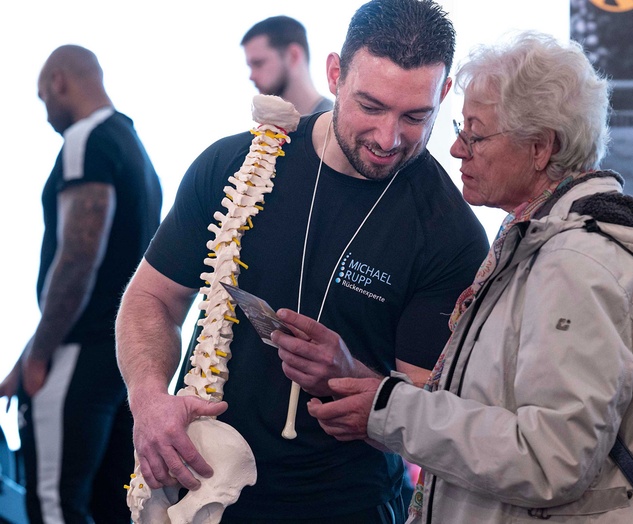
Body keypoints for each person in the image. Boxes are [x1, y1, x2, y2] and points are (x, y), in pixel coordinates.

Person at [285, 31, 633, 523]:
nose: (456, 149)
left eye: (475, 134)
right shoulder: (546, 245)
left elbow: (553, 458)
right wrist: (369, 390)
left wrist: (387, 408)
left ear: (541, 148)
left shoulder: (575, 265)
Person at [116, 0, 489, 522]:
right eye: (371, 106)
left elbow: (432, 415)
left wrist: (351, 375)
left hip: (341, 505)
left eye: (415, 116)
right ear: (335, 74)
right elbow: (153, 298)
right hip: (196, 493)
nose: (388, 138)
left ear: (444, 94)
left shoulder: (451, 233)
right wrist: (149, 398)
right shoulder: (234, 163)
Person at [0, 45, 162, 523]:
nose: (46, 113)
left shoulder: (84, 139)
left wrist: (41, 356)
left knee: (53, 504)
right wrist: (24, 358)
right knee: (110, 505)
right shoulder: (133, 148)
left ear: (58, 83)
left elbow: (76, 261)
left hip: (75, 357)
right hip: (117, 363)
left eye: (41, 98)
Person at [242, 15, 334, 115]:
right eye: (250, 66)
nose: (251, 76)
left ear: (293, 55)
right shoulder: (271, 128)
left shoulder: (334, 127)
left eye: (258, 63)